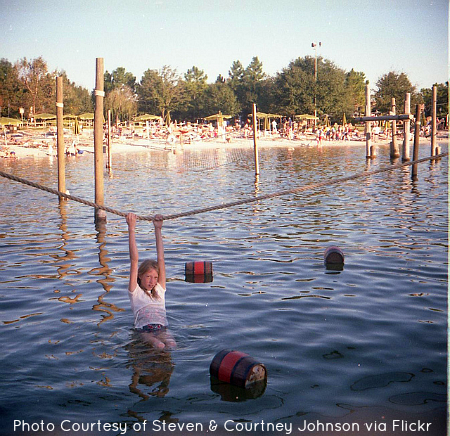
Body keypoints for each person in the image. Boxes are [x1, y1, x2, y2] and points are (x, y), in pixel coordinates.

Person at [126, 212, 176, 349]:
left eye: (155, 277)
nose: (152, 281)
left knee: (171, 344)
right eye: (148, 276)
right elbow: (134, 260)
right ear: (140, 276)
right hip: (144, 330)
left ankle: (162, 369)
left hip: (162, 328)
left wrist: (158, 229)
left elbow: (161, 259)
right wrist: (131, 229)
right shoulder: (135, 292)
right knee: (158, 345)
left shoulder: (160, 290)